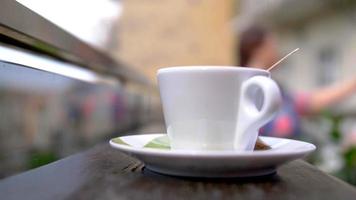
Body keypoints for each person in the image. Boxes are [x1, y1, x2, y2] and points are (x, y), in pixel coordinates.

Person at [238, 25, 356, 138]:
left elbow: (309, 102)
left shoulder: (274, 87)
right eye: (272, 45)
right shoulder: (246, 87)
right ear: (258, 50)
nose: (277, 50)